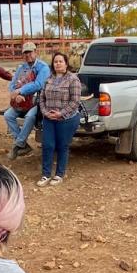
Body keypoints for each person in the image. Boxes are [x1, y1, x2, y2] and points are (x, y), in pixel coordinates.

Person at [36, 52, 81, 187]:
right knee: (47, 145)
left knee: (62, 146)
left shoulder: (73, 79)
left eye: (61, 61)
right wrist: (45, 113)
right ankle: (45, 174)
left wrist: (60, 113)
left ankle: (59, 174)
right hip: (49, 118)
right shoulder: (48, 79)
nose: (58, 64)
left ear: (66, 64)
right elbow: (41, 99)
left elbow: (75, 101)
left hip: (66, 119)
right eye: (55, 62)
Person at [5, 41, 50, 160]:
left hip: (38, 101)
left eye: (30, 52)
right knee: (8, 115)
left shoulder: (43, 67)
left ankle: (18, 145)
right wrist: (15, 94)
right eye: (25, 53)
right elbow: (12, 84)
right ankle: (23, 144)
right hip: (22, 101)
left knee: (30, 116)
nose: (28, 55)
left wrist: (21, 91)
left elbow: (38, 84)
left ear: (35, 52)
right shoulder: (21, 67)